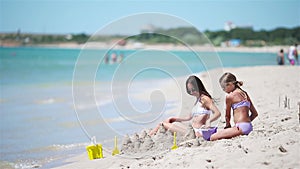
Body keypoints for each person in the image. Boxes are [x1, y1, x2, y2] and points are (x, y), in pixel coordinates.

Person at [149, 75, 221, 139]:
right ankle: (151, 136)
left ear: (198, 86)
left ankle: (149, 136)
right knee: (168, 122)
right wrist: (174, 118)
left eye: (193, 90)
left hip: (197, 132)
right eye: (189, 91)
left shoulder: (205, 99)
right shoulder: (198, 100)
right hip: (191, 129)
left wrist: (209, 121)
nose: (192, 93)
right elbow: (188, 118)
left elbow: (217, 113)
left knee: (162, 124)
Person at [209, 72, 258, 141]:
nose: (224, 90)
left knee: (212, 137)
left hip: (240, 127)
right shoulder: (245, 94)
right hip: (249, 126)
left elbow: (227, 116)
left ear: (230, 84)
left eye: (224, 88)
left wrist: (228, 126)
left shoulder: (230, 97)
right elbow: (255, 114)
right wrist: (245, 123)